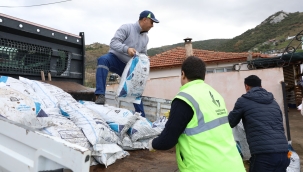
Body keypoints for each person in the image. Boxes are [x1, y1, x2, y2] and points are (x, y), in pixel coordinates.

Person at [149, 56, 245, 172]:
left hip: (204, 167)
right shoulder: (214, 94)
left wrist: (152, 144)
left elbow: (167, 141)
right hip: (233, 164)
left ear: (183, 74)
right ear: (203, 75)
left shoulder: (184, 98)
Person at [94, 10, 159, 117]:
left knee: (135, 89)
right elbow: (114, 43)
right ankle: (100, 94)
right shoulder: (127, 28)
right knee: (103, 60)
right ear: (144, 19)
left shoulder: (146, 38)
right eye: (152, 22)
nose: (152, 26)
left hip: (129, 66)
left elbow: (143, 52)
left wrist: (145, 58)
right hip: (115, 58)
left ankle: (141, 116)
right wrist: (126, 49)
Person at [228, 75, 290, 172]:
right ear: (261, 86)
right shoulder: (274, 102)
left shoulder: (243, 101)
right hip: (284, 154)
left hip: (263, 155)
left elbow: (230, 122)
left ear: (247, 86)